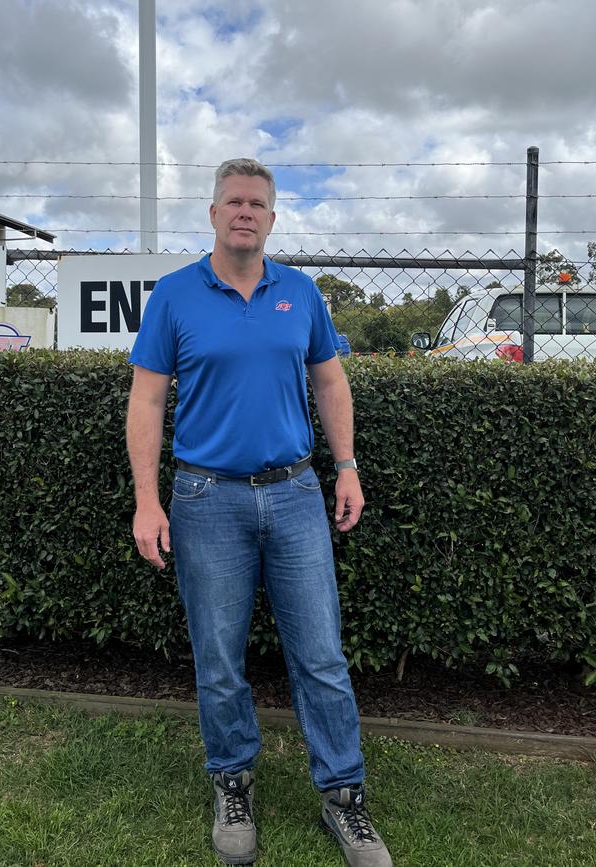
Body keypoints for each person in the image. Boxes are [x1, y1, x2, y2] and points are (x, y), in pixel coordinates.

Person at [126, 158, 393, 867]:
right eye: (233, 201)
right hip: (205, 498)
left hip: (297, 493)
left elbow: (329, 379)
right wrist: (147, 499)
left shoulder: (300, 293)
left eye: (258, 203)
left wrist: (347, 466)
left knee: (322, 657)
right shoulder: (176, 296)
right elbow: (147, 400)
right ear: (212, 213)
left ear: (272, 219)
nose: (245, 211)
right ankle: (233, 783)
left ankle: (344, 797)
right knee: (219, 660)